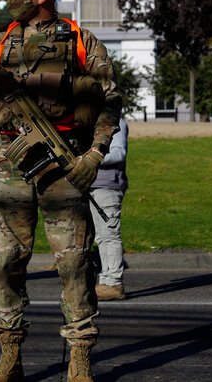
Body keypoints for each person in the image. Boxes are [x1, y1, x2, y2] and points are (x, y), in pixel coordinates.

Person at [0, 0, 121, 382]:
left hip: (66, 167)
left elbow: (110, 103)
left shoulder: (83, 41)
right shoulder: (0, 42)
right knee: (6, 260)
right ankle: (9, 355)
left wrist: (94, 155)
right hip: (13, 166)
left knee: (74, 263)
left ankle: (79, 354)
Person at [90, 117, 129, 301]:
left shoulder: (116, 122)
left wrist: (88, 158)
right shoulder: (87, 120)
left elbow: (119, 153)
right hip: (88, 185)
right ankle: (105, 280)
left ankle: (113, 283)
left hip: (107, 186)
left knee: (109, 235)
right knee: (100, 237)